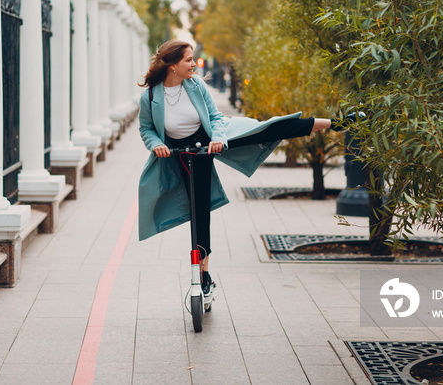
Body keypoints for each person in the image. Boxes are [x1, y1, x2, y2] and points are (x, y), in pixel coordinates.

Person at [138, 40, 333, 297]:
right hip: (181, 155)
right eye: (188, 60)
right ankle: (203, 274)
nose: (194, 64)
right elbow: (146, 128)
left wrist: (218, 139)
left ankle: (333, 123)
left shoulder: (196, 85)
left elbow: (215, 117)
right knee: (199, 213)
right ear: (172, 65)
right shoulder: (151, 96)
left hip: (210, 142)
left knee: (265, 128)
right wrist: (156, 145)